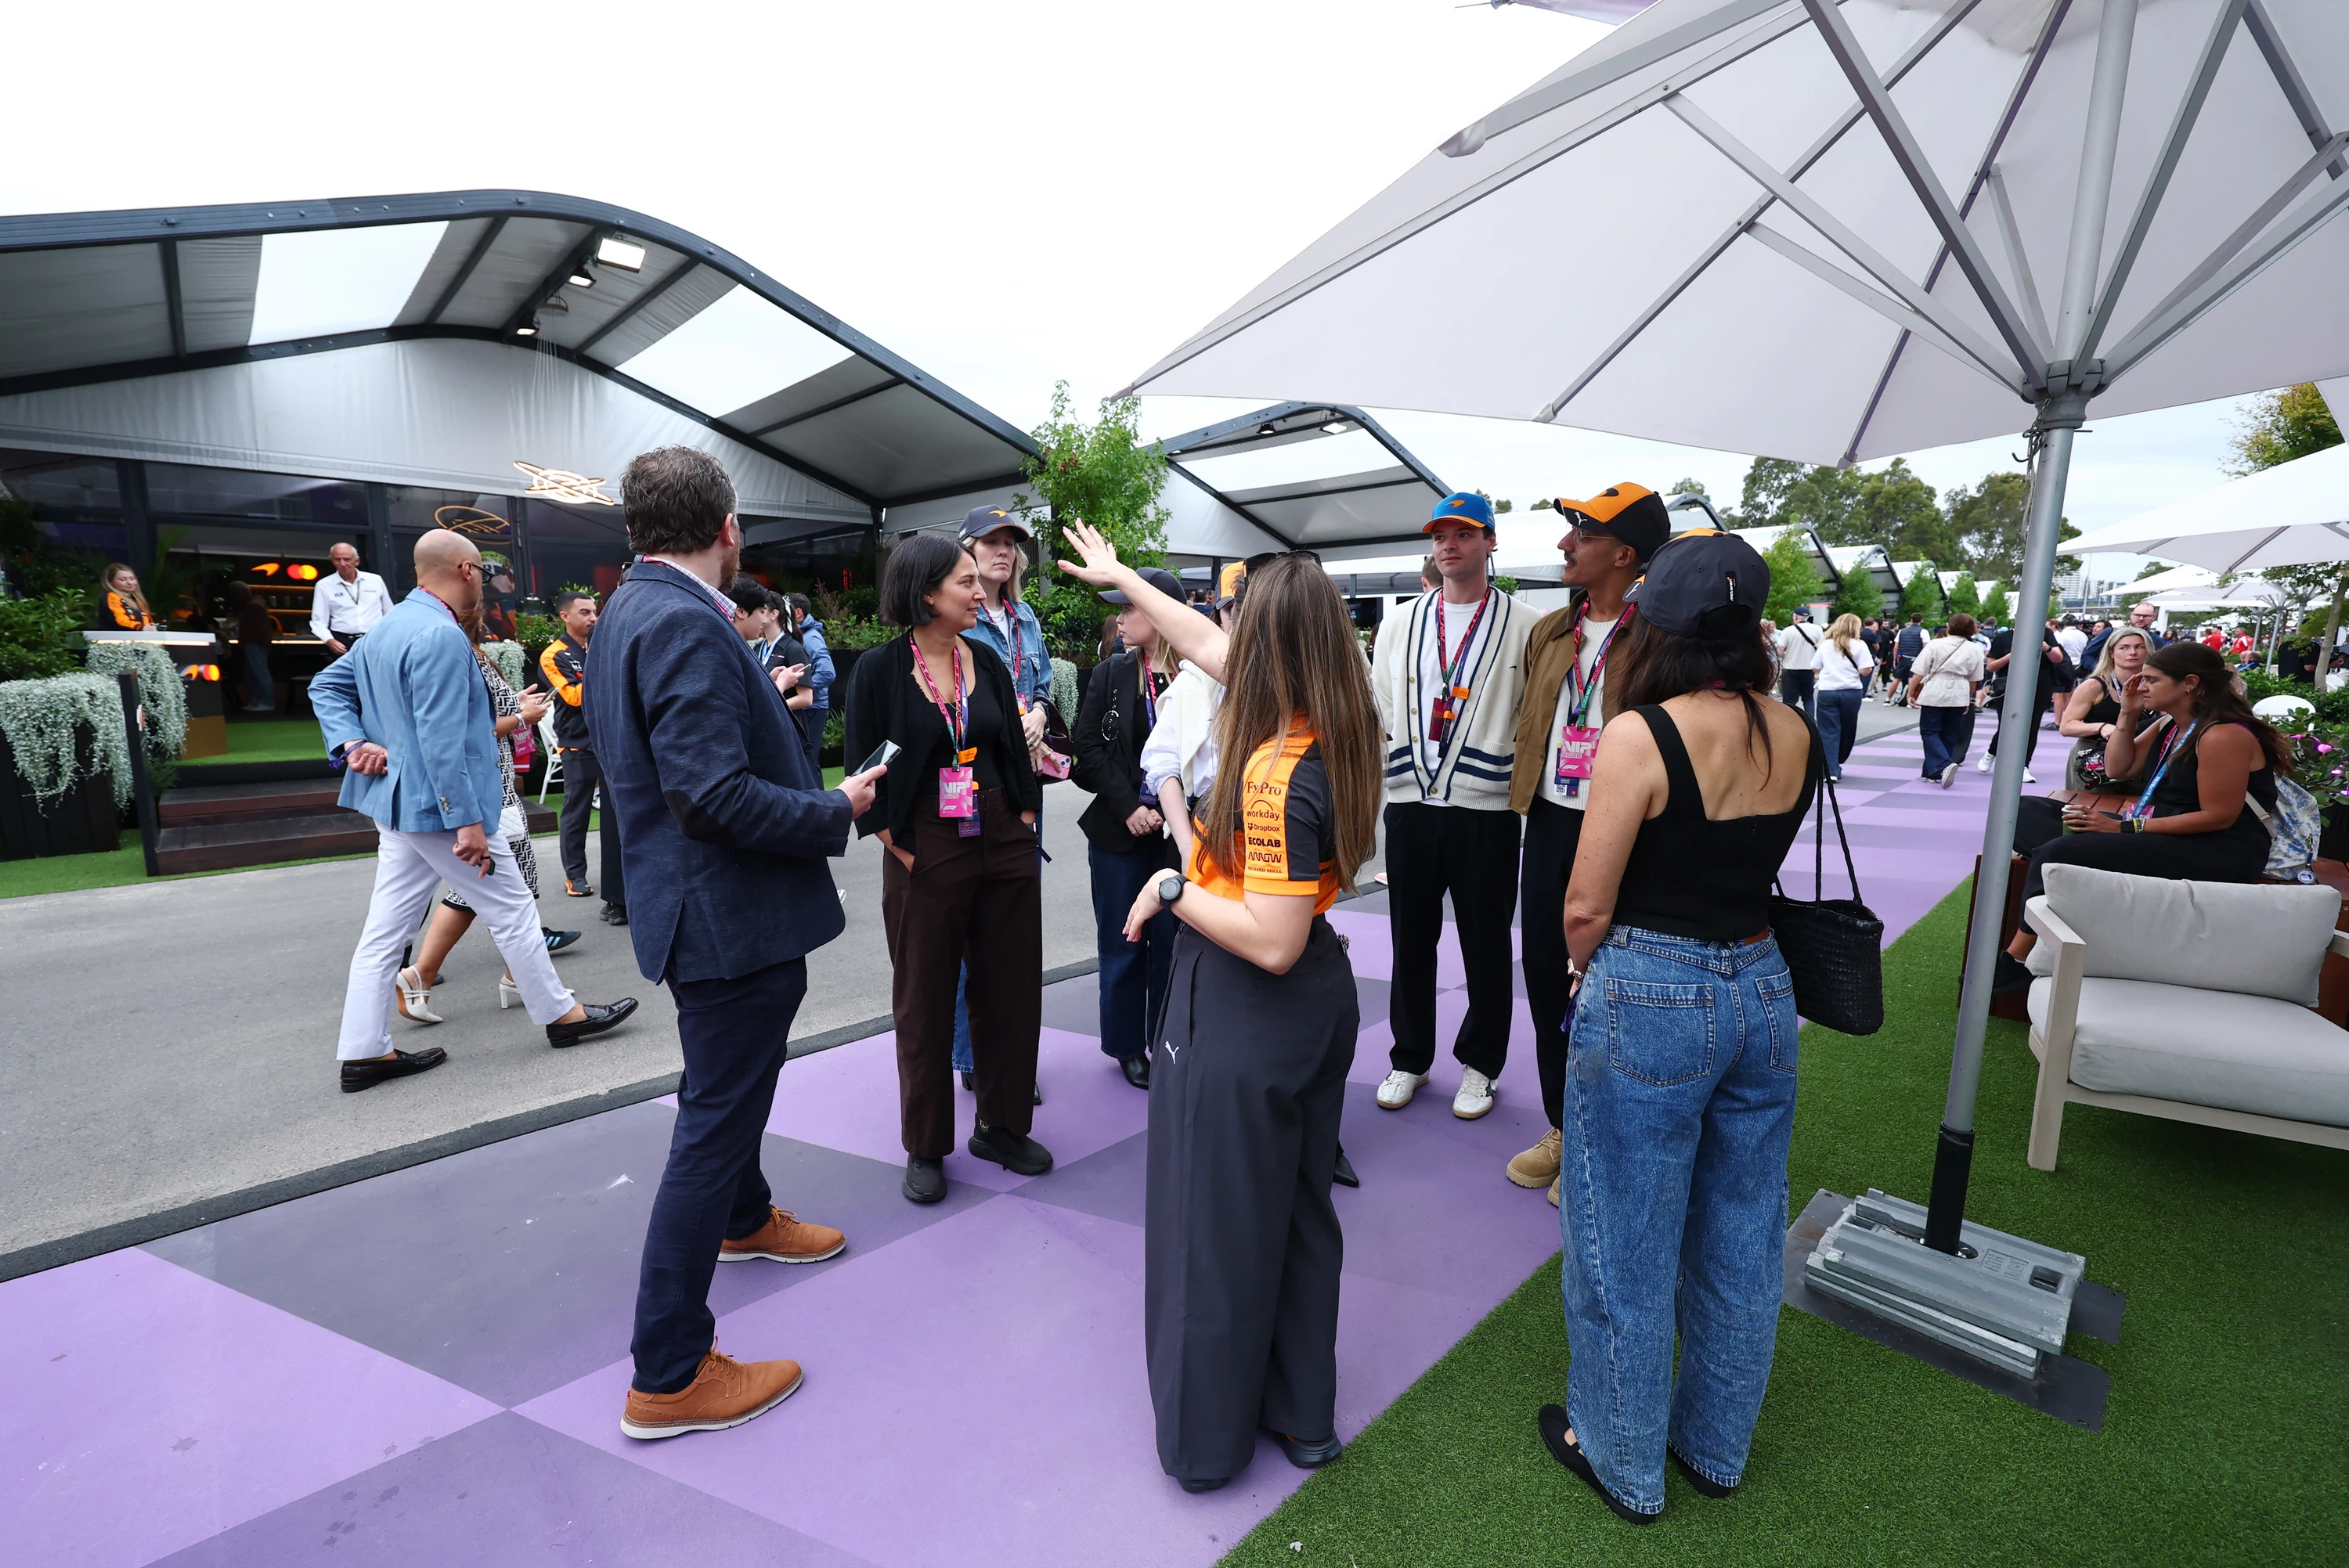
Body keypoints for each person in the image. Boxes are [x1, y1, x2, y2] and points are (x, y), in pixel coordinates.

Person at [1056, 521, 1379, 1494]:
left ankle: (1204, 1441)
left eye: (1238, 617)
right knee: (1296, 1209)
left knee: (1210, 1223)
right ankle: (1299, 1412)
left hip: (1248, 997)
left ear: (1271, 645)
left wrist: (1167, 889)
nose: (1218, 630)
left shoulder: (1279, 769)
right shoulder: (1339, 710)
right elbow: (1203, 645)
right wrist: (1123, 580)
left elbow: (1268, 940)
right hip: (1318, 996)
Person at [583, 445, 879, 1443]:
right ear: (730, 529)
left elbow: (684, 766)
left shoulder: (629, 607)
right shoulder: (680, 620)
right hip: (725, 917)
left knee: (728, 1097)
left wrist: (772, 722)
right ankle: (667, 1372)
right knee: (711, 1122)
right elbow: (707, 795)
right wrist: (831, 802)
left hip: (698, 907)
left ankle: (747, 1217)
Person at [1536, 528, 1819, 1525]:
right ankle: (1714, 1445)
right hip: (1764, 986)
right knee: (1744, 1230)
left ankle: (1620, 1454)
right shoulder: (1796, 728)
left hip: (1655, 983)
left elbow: (1584, 903)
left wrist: (1582, 970)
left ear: (1657, 628)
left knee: (1624, 1229)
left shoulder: (1641, 731)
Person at [314, 530, 637, 1094]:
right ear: (466, 569)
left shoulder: (390, 626)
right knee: (511, 905)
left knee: (386, 931)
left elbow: (327, 687)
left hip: (397, 802)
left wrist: (349, 743)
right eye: (483, 575)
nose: (485, 585)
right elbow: (441, 738)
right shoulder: (438, 634)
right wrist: (466, 821)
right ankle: (561, 1016)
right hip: (437, 807)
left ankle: (364, 1050)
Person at [845, 533, 1048, 1204]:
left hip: (1000, 831)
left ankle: (1001, 1125)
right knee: (926, 998)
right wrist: (896, 843)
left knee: (1012, 990)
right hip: (925, 841)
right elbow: (862, 771)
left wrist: (1021, 819)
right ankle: (926, 1145)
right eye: (964, 581)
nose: (977, 590)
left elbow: (1013, 749)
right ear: (926, 592)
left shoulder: (983, 659)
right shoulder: (878, 670)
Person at [1504, 483, 1670, 1206]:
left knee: (1610, 986)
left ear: (1626, 554)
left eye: (1582, 534)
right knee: (1546, 976)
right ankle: (1563, 1127)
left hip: (1627, 830)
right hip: (1547, 822)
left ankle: (1603, 1142)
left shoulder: (1663, 638)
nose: (1565, 545)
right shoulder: (1551, 630)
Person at [1369, 491, 1532, 1121]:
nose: (1449, 544)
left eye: (1464, 533)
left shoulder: (1526, 623)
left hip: (1486, 808)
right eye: (1440, 534)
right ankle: (1410, 1055)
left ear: (1490, 542)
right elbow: (1381, 701)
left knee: (1487, 943)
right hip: (1410, 801)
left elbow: (1533, 711)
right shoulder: (1402, 620)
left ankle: (1481, 1066)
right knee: (1411, 937)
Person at [2001, 640, 2289, 988]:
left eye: (2151, 680)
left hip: (2220, 847)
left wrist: (2124, 829)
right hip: (2161, 828)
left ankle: (2015, 961)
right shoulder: (2172, 723)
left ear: (2190, 683)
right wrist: (2128, 713)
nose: (2140, 686)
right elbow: (2117, 768)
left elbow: (2219, 817)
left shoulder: (2222, 734)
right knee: (2024, 810)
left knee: (2056, 853)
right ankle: (2083, 892)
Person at [395, 603, 577, 1024]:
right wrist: (519, 717)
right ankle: (424, 973)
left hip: (495, 783)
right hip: (485, 787)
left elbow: (479, 714)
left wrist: (516, 703)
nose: (497, 619)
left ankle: (516, 977)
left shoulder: (475, 652)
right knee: (497, 885)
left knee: (504, 884)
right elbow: (455, 727)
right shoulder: (453, 651)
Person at [953, 505, 1055, 1090]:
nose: (1005, 551)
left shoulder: (1026, 617)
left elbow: (1040, 683)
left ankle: (1012, 1058)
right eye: (992, 540)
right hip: (969, 785)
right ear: (967, 549)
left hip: (1023, 786)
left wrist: (1038, 712)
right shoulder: (955, 619)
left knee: (1016, 927)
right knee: (971, 922)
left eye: (1012, 542)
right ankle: (972, 1057)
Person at [1074, 565, 1185, 1090]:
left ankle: (1166, 1036)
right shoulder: (1111, 673)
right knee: (1124, 942)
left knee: (1172, 942)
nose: (1120, 618)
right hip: (1119, 833)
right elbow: (1086, 749)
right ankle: (1124, 1046)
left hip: (1180, 837)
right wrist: (1128, 805)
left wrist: (1173, 810)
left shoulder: (1199, 675)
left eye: (1130, 607)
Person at [539, 590, 624, 924]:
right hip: (577, 744)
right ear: (565, 617)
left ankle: (617, 878)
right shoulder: (553, 654)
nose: (593, 618)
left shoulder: (601, 646)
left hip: (611, 741)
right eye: (586, 612)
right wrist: (602, 677)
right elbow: (574, 696)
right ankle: (575, 873)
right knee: (576, 811)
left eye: (595, 612)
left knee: (616, 815)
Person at [2058, 626, 2157, 791]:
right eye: (2124, 647)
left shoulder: (2156, 686)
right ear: (2111, 653)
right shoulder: (2094, 686)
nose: (2133, 652)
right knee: (2091, 810)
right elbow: (2066, 726)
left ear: (2149, 651)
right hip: (2094, 759)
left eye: (2139, 647)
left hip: (2139, 757)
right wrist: (2102, 727)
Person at [1980, 620, 2067, 784]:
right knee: (2006, 725)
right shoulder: (2004, 637)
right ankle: (1991, 753)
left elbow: (2058, 658)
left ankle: (2023, 766)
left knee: (2032, 727)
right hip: (2008, 686)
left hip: (2039, 686)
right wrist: (2012, 655)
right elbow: (1991, 667)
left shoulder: (2045, 634)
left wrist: (2047, 648)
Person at [1908, 614, 1987, 786]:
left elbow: (1919, 671)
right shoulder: (1975, 649)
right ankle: (1933, 772)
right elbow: (1975, 679)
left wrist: (1911, 691)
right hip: (1960, 689)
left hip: (1935, 689)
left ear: (1950, 626)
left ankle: (1944, 763)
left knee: (1930, 731)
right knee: (1950, 733)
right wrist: (1968, 699)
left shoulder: (1936, 644)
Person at [1812, 612, 1875, 782]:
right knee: (1848, 728)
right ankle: (1838, 760)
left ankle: (1831, 768)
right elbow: (1866, 669)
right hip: (1851, 691)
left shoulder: (1825, 645)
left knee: (1828, 731)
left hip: (1828, 690)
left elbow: (1815, 667)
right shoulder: (1860, 645)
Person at [309, 542, 393, 655]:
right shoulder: (324, 585)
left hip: (374, 639)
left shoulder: (375, 580)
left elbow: (389, 612)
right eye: (338, 560)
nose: (342, 564)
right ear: (332, 561)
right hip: (343, 642)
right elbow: (318, 620)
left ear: (356, 561)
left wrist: (389, 637)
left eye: (347, 559)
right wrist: (330, 641)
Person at [785, 592, 835, 771]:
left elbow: (828, 672)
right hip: (807, 707)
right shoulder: (800, 636)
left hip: (812, 709)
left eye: (785, 610)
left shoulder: (810, 638)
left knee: (808, 763)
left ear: (798, 613)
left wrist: (804, 688)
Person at [226, 581, 276, 712]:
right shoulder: (257, 604)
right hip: (257, 642)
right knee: (252, 672)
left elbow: (253, 628)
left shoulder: (252, 606)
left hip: (255, 642)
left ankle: (266, 701)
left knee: (258, 672)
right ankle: (258, 700)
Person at [1773, 607, 1820, 720]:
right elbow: (1821, 647)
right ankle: (1811, 721)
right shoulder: (1817, 630)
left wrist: (1786, 655)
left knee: (1789, 700)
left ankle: (1788, 720)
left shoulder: (1788, 631)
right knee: (1808, 698)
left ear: (1795, 617)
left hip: (1791, 668)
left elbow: (1780, 650)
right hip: (1809, 668)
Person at [100, 562, 155, 629]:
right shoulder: (112, 597)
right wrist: (139, 627)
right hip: (118, 638)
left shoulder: (136, 599)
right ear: (111, 582)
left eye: (132, 579)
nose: (129, 583)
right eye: (123, 580)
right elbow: (120, 621)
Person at [1889, 612, 1926, 705]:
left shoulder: (1902, 631)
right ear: (1921, 621)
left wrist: (1895, 659)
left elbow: (1896, 647)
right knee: (1912, 679)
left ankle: (1888, 698)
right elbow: (1926, 647)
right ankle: (1909, 699)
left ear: (1911, 620)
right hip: (1916, 658)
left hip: (1903, 657)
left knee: (1897, 678)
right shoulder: (1923, 632)